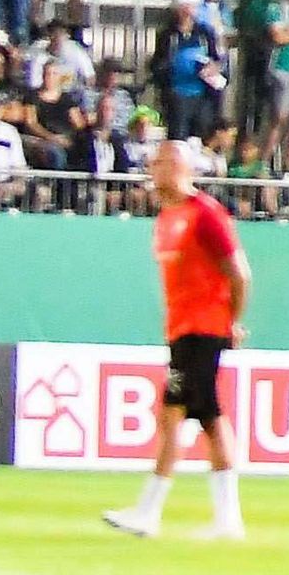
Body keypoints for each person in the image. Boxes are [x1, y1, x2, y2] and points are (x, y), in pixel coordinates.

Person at [105, 135, 249, 542]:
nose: (155, 170)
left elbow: (239, 273)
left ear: (184, 169)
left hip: (203, 329)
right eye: (154, 163)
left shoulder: (205, 213)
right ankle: (227, 520)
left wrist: (229, 323)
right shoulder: (167, 216)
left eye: (164, 163)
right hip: (185, 329)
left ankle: (149, 512)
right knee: (209, 418)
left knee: (173, 414)